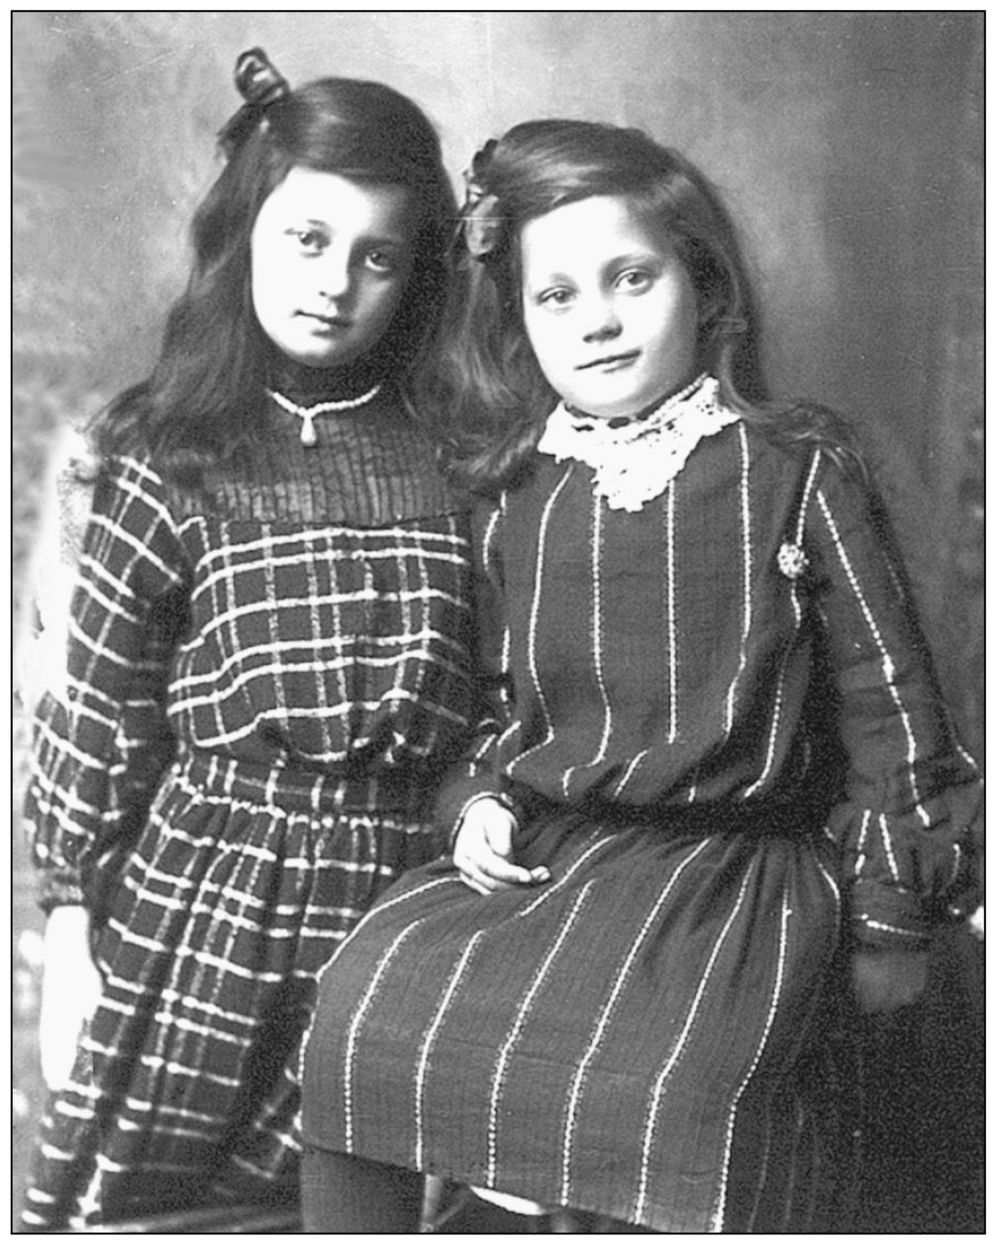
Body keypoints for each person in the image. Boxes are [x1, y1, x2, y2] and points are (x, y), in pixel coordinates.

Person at [298, 119, 982, 1233]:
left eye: (630, 277)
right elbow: (501, 711)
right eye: (554, 296)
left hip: (737, 876)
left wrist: (893, 917)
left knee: (663, 1091)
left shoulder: (793, 466)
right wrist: (477, 801)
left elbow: (892, 710)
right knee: (365, 1002)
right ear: (518, 323)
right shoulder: (524, 492)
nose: (598, 320)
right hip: (560, 856)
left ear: (702, 287)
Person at [20, 48, 474, 1230]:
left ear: (416, 272)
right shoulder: (165, 448)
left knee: (364, 1204)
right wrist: (70, 922)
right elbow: (101, 699)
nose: (336, 284)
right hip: (207, 899)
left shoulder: (466, 453)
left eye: (378, 256)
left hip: (403, 901)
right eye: (308, 239)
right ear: (247, 233)